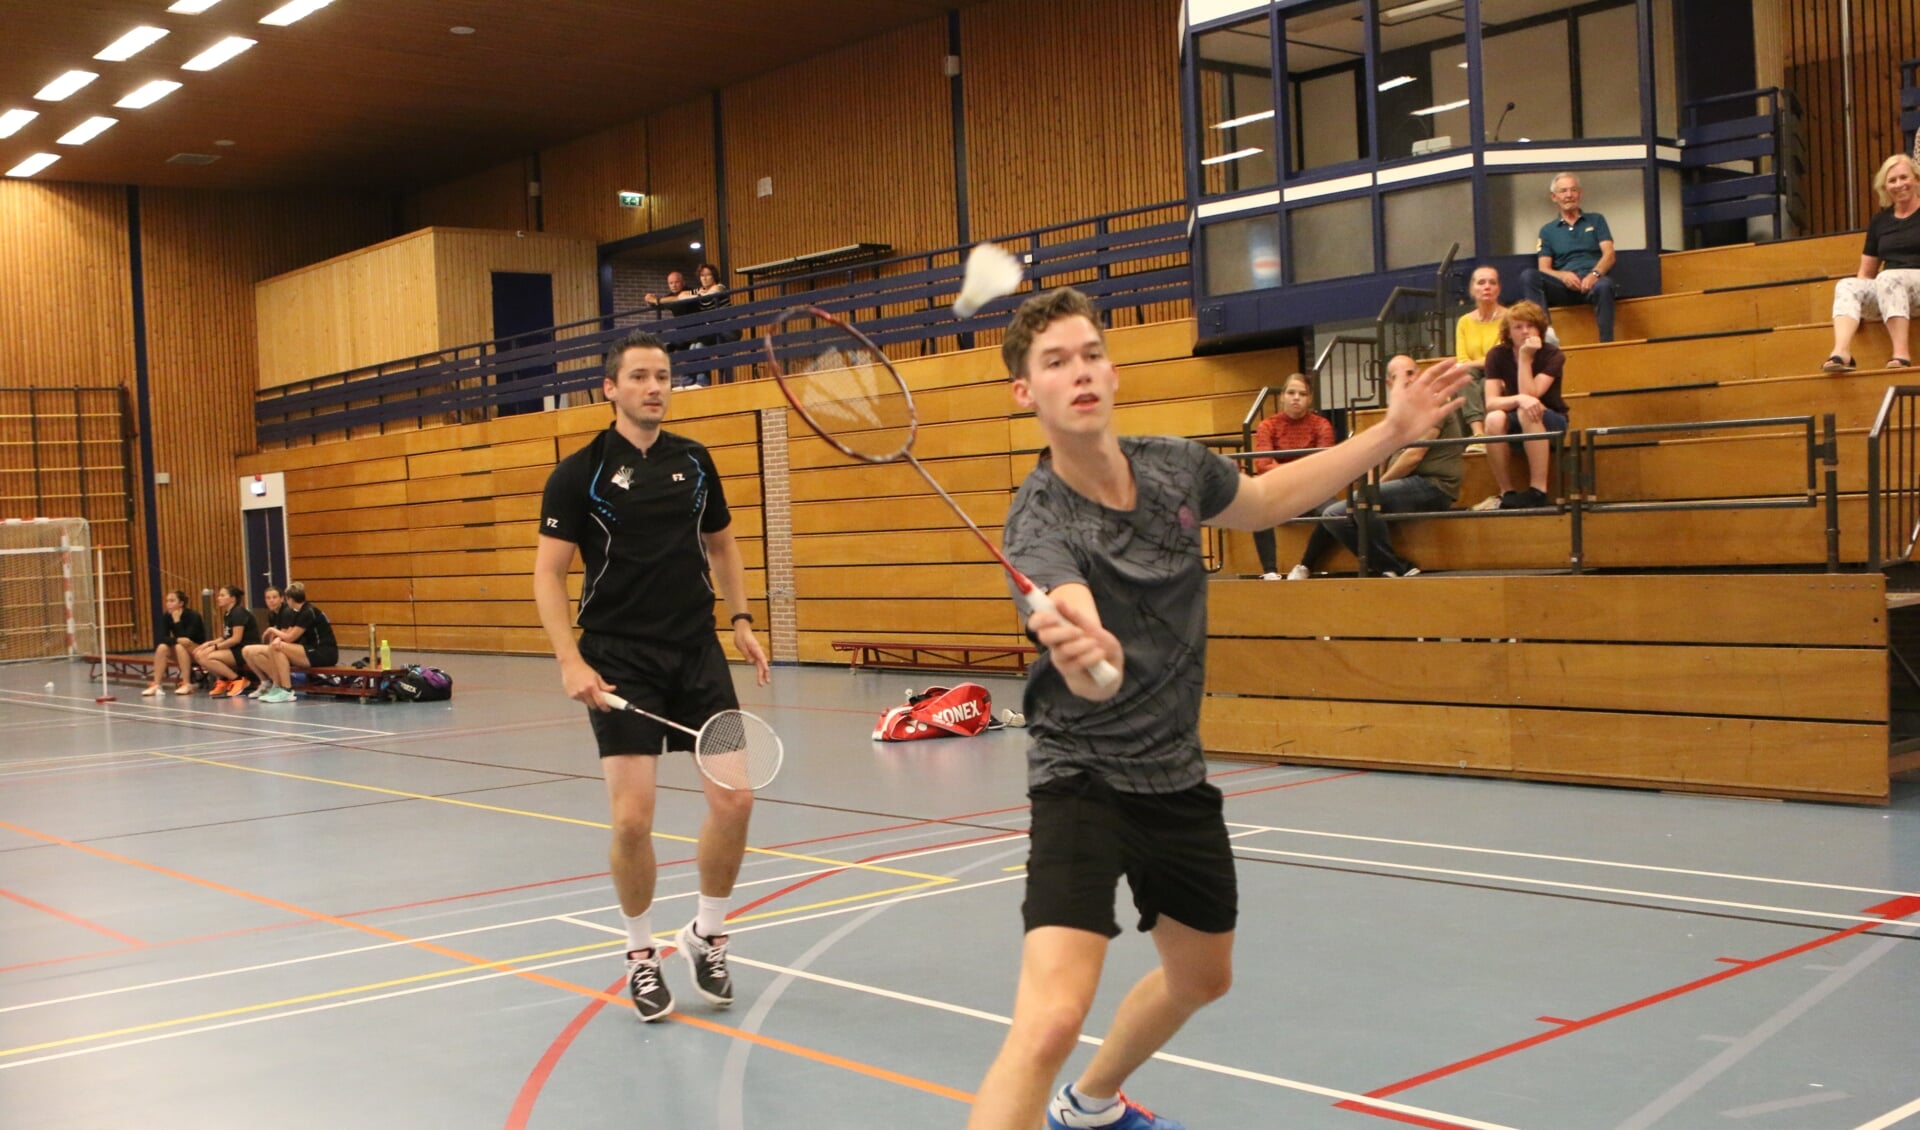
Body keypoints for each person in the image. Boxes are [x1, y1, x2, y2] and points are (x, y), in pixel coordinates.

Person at [968, 289, 1467, 1130]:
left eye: (1089, 354)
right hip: (1082, 779)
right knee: (1051, 1018)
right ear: (1027, 393)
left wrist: (1390, 432)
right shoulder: (1038, 521)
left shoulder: (1174, 466)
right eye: (1055, 363)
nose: (1079, 372)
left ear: (1113, 372)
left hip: (1175, 777)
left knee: (1203, 977)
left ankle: (1089, 1107)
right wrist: (1094, 655)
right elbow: (1082, 644)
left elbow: (1269, 503)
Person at [533, 328, 771, 1024]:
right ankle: (640, 954)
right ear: (610, 388)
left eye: (663, 375)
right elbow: (548, 574)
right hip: (621, 656)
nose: (655, 387)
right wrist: (570, 659)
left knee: (736, 802)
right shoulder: (578, 472)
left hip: (696, 650)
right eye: (639, 376)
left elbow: (721, 544)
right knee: (633, 820)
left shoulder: (695, 463)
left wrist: (742, 621)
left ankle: (706, 933)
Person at [1288, 354, 1473, 580]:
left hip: (1434, 484)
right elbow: (1382, 455)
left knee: (1362, 500)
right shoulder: (1399, 411)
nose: (1406, 380)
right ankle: (1391, 567)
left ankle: (1390, 568)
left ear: (1419, 375)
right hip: (1404, 485)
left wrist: (1376, 486)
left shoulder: (1433, 402)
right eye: (1397, 376)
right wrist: (1371, 479)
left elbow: (1413, 456)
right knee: (1332, 514)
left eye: (1411, 373)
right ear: (1389, 383)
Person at [1823, 153, 1920, 371]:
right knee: (1846, 285)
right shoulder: (1880, 221)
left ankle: (1901, 354)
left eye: (1904, 177)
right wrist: (1860, 305)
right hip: (1890, 290)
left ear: (1916, 179)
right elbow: (1866, 272)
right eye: (1892, 180)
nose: (1899, 184)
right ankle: (1841, 352)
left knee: (1888, 277)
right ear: (1885, 187)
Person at [1247, 372, 1335, 579]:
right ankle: (1269, 571)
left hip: (1312, 493)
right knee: (1256, 509)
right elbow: (1262, 465)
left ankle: (1305, 566)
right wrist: (1303, 468)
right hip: (1279, 492)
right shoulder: (1267, 426)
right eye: (1291, 392)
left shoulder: (1321, 425)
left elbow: (1324, 467)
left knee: (1335, 512)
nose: (1296, 397)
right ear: (1282, 397)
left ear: (1310, 398)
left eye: (1302, 394)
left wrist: (1283, 467)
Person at [1482, 301, 1569, 510]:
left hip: (1551, 418)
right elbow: (1491, 402)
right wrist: (1518, 399)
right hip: (1517, 416)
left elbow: (1532, 395)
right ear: (1508, 332)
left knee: (1526, 410)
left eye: (1530, 326)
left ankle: (1538, 489)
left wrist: (1524, 358)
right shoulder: (1496, 355)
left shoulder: (1553, 354)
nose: (1524, 332)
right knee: (1494, 418)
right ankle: (1506, 491)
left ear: (1539, 329)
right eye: (1518, 327)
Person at [1521, 172, 1617, 343]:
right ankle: (1545, 334)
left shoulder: (1596, 220)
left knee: (1605, 285)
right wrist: (1563, 275)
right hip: (1564, 286)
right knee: (1529, 275)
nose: (1569, 195)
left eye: (1573, 190)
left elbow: (1609, 254)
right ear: (1554, 197)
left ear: (1579, 194)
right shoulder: (1547, 230)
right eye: (1563, 191)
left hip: (1593, 283)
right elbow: (1544, 268)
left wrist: (1594, 275)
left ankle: (1607, 343)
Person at [1455, 264, 1506, 468]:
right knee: (1464, 375)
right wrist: (1478, 363)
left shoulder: (1509, 318)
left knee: (1485, 382)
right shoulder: (1464, 322)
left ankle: (1486, 435)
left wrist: (1477, 363)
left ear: (1499, 289)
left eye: (1492, 282)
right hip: (1474, 375)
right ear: (1472, 289)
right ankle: (1478, 434)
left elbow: (1500, 358)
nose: (1487, 287)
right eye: (1481, 282)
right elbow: (1462, 359)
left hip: (1502, 374)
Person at [257, 581, 338, 703]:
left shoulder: (307, 612)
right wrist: (279, 638)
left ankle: (287, 690)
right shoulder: (299, 611)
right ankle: (278, 687)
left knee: (276, 647)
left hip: (323, 653)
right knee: (275, 647)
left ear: (289, 599)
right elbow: (288, 634)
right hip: (311, 650)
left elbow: (290, 638)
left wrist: (272, 630)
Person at [193, 584, 260, 698]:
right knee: (199, 654)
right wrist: (209, 643)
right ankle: (224, 680)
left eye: (222, 595)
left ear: (232, 598)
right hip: (235, 648)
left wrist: (214, 647)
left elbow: (236, 639)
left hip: (244, 650)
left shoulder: (239, 612)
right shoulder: (228, 613)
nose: (218, 598)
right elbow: (227, 636)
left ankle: (238, 680)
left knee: (206, 657)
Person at [144, 589, 206, 696]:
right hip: (181, 651)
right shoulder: (167, 616)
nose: (168, 604)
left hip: (198, 650)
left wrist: (177, 622)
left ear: (181, 603)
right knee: (162, 647)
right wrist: (176, 639)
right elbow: (162, 638)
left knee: (180, 646)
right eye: (167, 601)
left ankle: (186, 683)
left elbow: (187, 639)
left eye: (172, 601)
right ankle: (156, 684)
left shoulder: (193, 616)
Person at [242, 585, 292, 698]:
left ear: (282, 599)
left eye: (274, 597)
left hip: (286, 648)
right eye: (268, 598)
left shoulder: (286, 612)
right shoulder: (271, 614)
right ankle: (265, 683)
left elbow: (284, 636)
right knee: (250, 654)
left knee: (248, 650)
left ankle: (278, 684)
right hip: (276, 647)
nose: (271, 600)